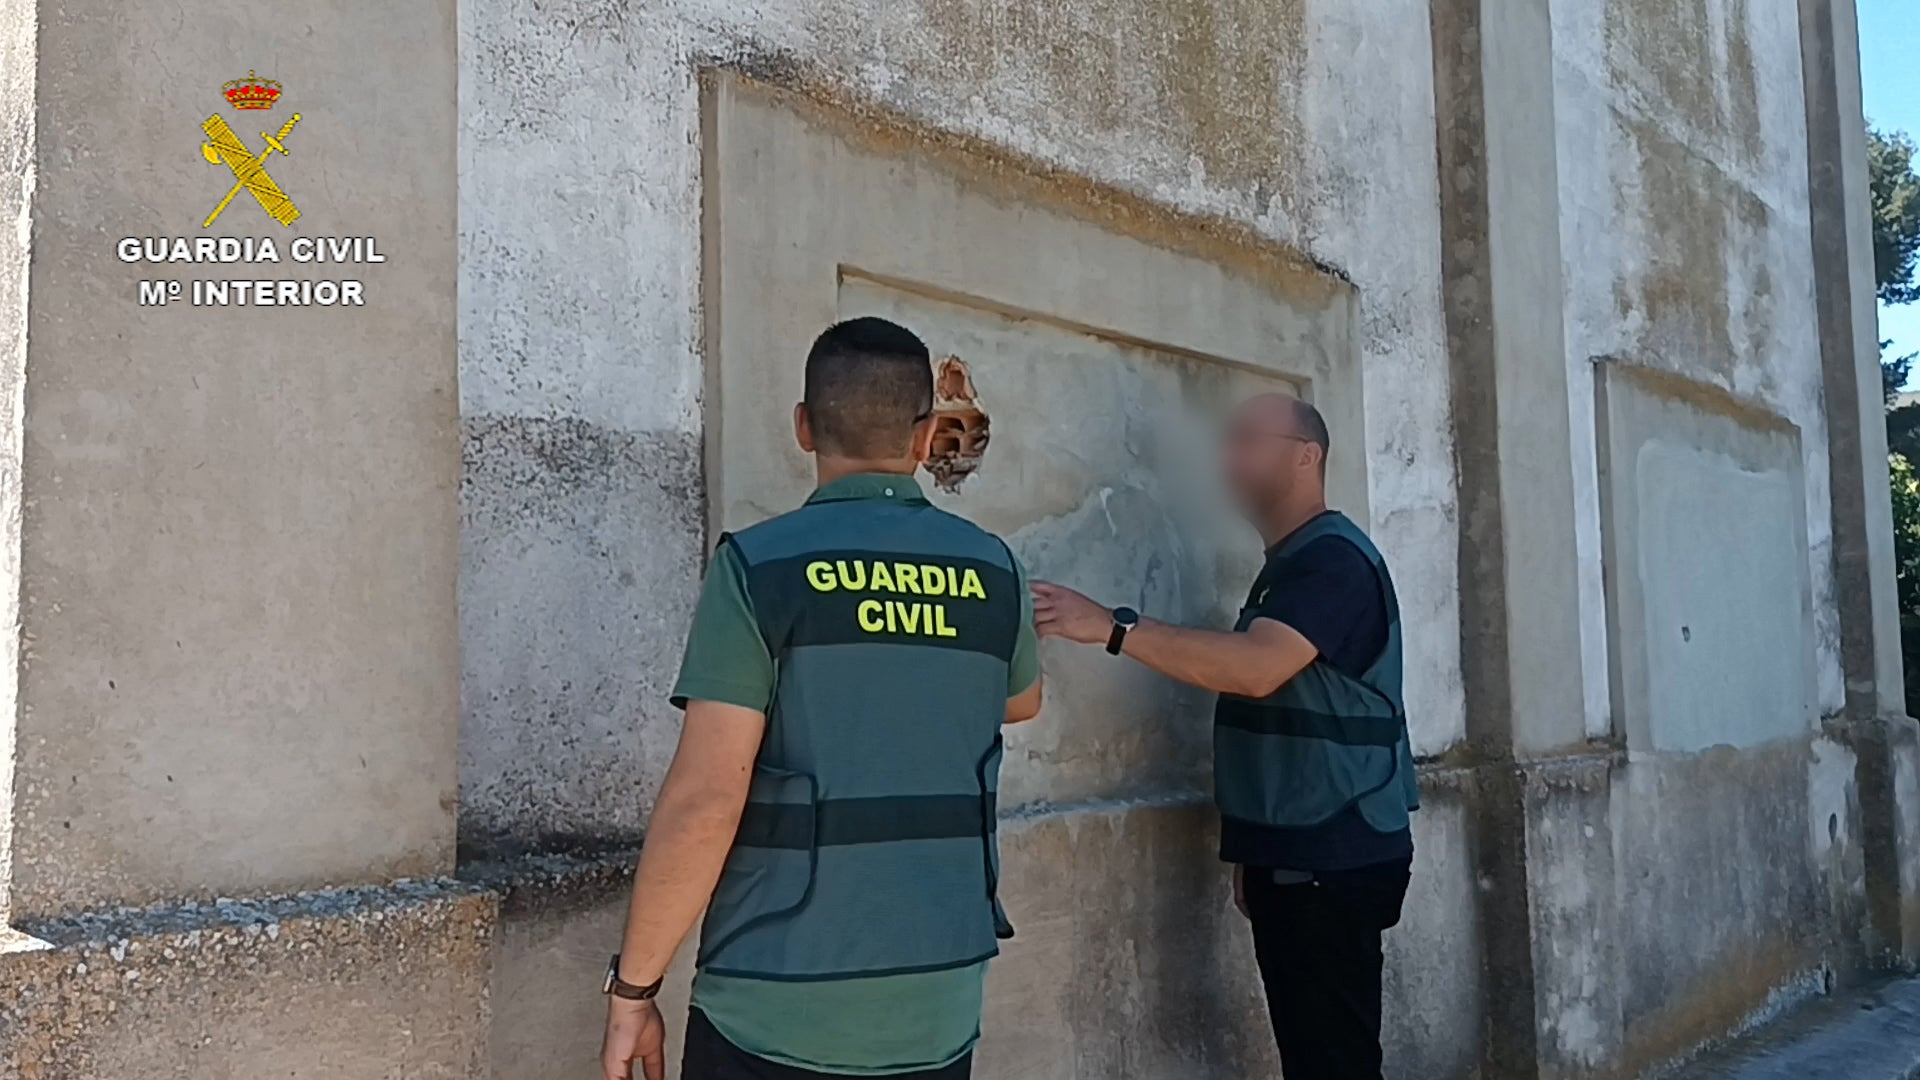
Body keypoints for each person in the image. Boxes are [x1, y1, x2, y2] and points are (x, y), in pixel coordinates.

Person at [599, 317, 1045, 1080]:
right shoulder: (994, 568)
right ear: (924, 436)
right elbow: (1019, 700)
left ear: (804, 427)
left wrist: (633, 991)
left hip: (774, 1003)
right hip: (937, 1000)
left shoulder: (758, 568)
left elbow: (708, 798)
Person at [1029, 393, 1417, 1080]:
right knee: (1320, 1056)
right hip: (1301, 850)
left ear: (1306, 455)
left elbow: (1257, 669)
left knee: (1333, 1062)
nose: (1227, 457)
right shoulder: (1296, 560)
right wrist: (1256, 852)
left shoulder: (1330, 561)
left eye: (1247, 440)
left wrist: (1113, 628)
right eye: (1226, 439)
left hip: (1331, 854)